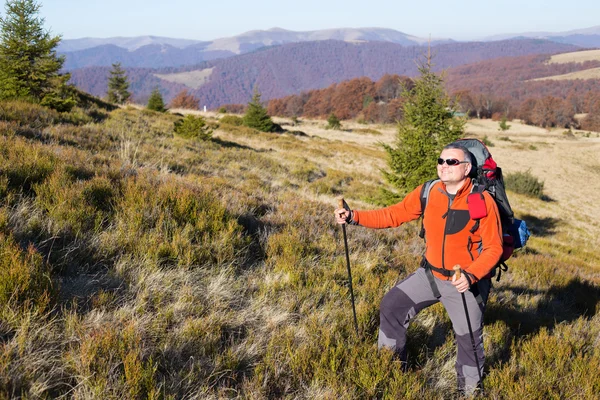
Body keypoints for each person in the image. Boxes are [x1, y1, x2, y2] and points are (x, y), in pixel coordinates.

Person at [335, 143, 503, 395]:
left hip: (464, 282)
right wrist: (354, 216)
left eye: (452, 162)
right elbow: (394, 214)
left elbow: (494, 248)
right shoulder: (429, 191)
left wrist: (471, 275)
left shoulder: (481, 201)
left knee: (469, 342)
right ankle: (388, 368)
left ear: (467, 168)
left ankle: (468, 392)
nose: (444, 166)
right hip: (429, 274)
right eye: (441, 160)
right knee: (392, 305)